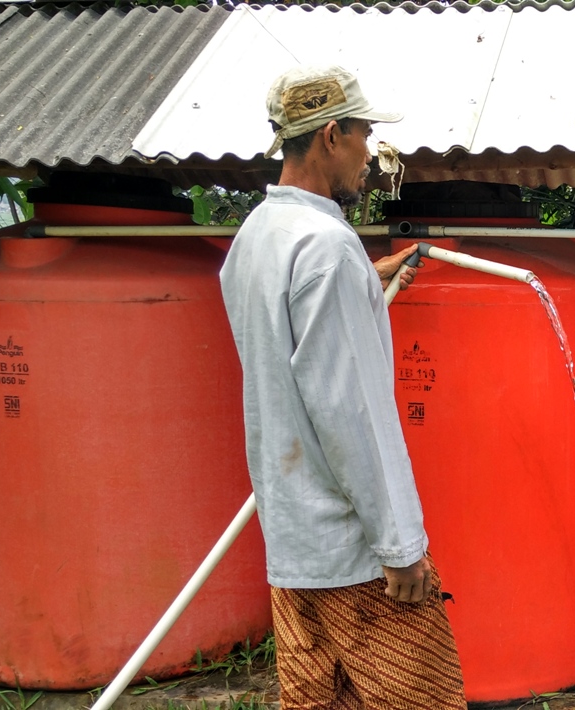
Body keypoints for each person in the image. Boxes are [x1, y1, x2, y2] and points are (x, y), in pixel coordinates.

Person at [219, 65, 467, 709]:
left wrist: (366, 278)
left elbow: (288, 347)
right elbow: (349, 411)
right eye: (366, 136)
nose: (372, 157)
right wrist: (400, 545)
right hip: (355, 559)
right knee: (422, 699)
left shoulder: (256, 239)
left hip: (294, 549)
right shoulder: (327, 249)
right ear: (332, 135)